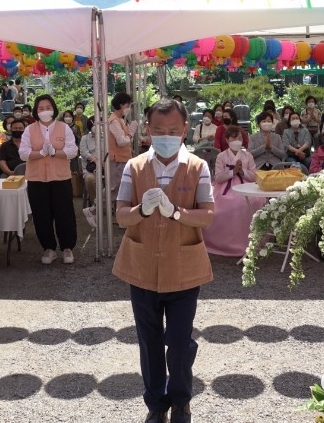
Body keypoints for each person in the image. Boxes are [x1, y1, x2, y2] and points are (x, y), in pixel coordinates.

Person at [113, 99, 214, 423]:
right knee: (150, 341)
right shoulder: (135, 166)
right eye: (159, 131)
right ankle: (157, 402)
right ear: (148, 131)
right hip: (142, 269)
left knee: (180, 343)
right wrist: (141, 210)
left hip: (184, 270)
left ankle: (181, 400)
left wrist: (177, 213)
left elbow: (207, 215)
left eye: (172, 131)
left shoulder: (198, 167)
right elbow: (120, 215)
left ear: (184, 130)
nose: (166, 136)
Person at [20, 94, 79, 265]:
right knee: (41, 214)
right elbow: (23, 154)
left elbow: (73, 150)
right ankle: (49, 248)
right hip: (37, 179)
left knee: (64, 213)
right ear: (35, 111)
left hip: (60, 178)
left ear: (53, 109)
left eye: (47, 108)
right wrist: (40, 154)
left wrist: (54, 152)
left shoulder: (63, 127)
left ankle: (67, 247)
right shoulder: (29, 129)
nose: (44, 111)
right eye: (40, 108)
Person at [203, 125, 256, 257]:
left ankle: (248, 242)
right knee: (224, 205)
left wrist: (242, 172)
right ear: (227, 140)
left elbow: (255, 175)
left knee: (252, 201)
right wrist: (233, 172)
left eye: (239, 137)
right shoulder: (221, 156)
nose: (237, 140)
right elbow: (218, 177)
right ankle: (223, 243)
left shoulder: (248, 155)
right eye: (233, 137)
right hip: (226, 186)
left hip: (245, 185)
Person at [108, 92, 138, 204]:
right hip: (117, 160)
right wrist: (131, 133)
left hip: (123, 158)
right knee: (114, 188)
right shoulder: (114, 120)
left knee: (118, 188)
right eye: (128, 105)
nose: (129, 108)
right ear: (121, 105)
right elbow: (121, 141)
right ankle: (94, 209)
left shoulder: (120, 120)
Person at [79, 117, 98, 204]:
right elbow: (83, 152)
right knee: (90, 179)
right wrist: (94, 160)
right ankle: (95, 202)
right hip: (90, 169)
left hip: (104, 168)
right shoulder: (85, 138)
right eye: (94, 124)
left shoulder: (106, 138)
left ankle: (106, 201)